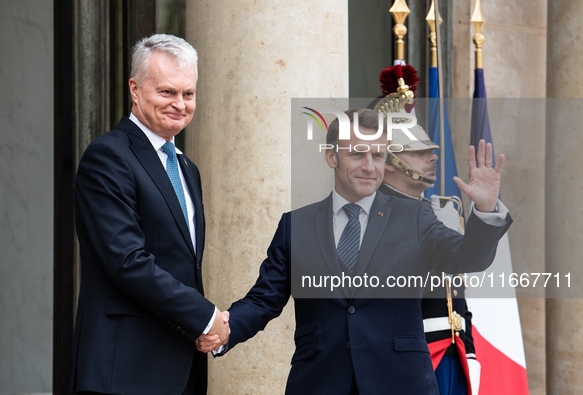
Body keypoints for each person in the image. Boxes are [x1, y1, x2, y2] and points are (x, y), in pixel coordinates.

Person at [200, 107, 511, 394]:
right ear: (332, 157)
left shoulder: (414, 216)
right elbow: (263, 300)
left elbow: (467, 257)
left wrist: (484, 211)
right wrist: (225, 328)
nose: (368, 166)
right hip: (319, 382)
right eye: (357, 154)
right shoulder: (296, 225)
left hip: (400, 382)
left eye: (377, 156)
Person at [69, 34, 229, 395]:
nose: (180, 104)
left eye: (188, 94)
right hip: (124, 370)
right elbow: (127, 260)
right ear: (135, 89)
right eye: (167, 92)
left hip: (179, 368)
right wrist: (206, 316)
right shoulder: (108, 156)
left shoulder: (187, 169)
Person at [378, 111, 480, 395]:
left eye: (431, 151)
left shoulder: (444, 209)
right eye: (419, 152)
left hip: (454, 351)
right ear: (388, 162)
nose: (433, 157)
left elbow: (458, 290)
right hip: (408, 358)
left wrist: (467, 349)